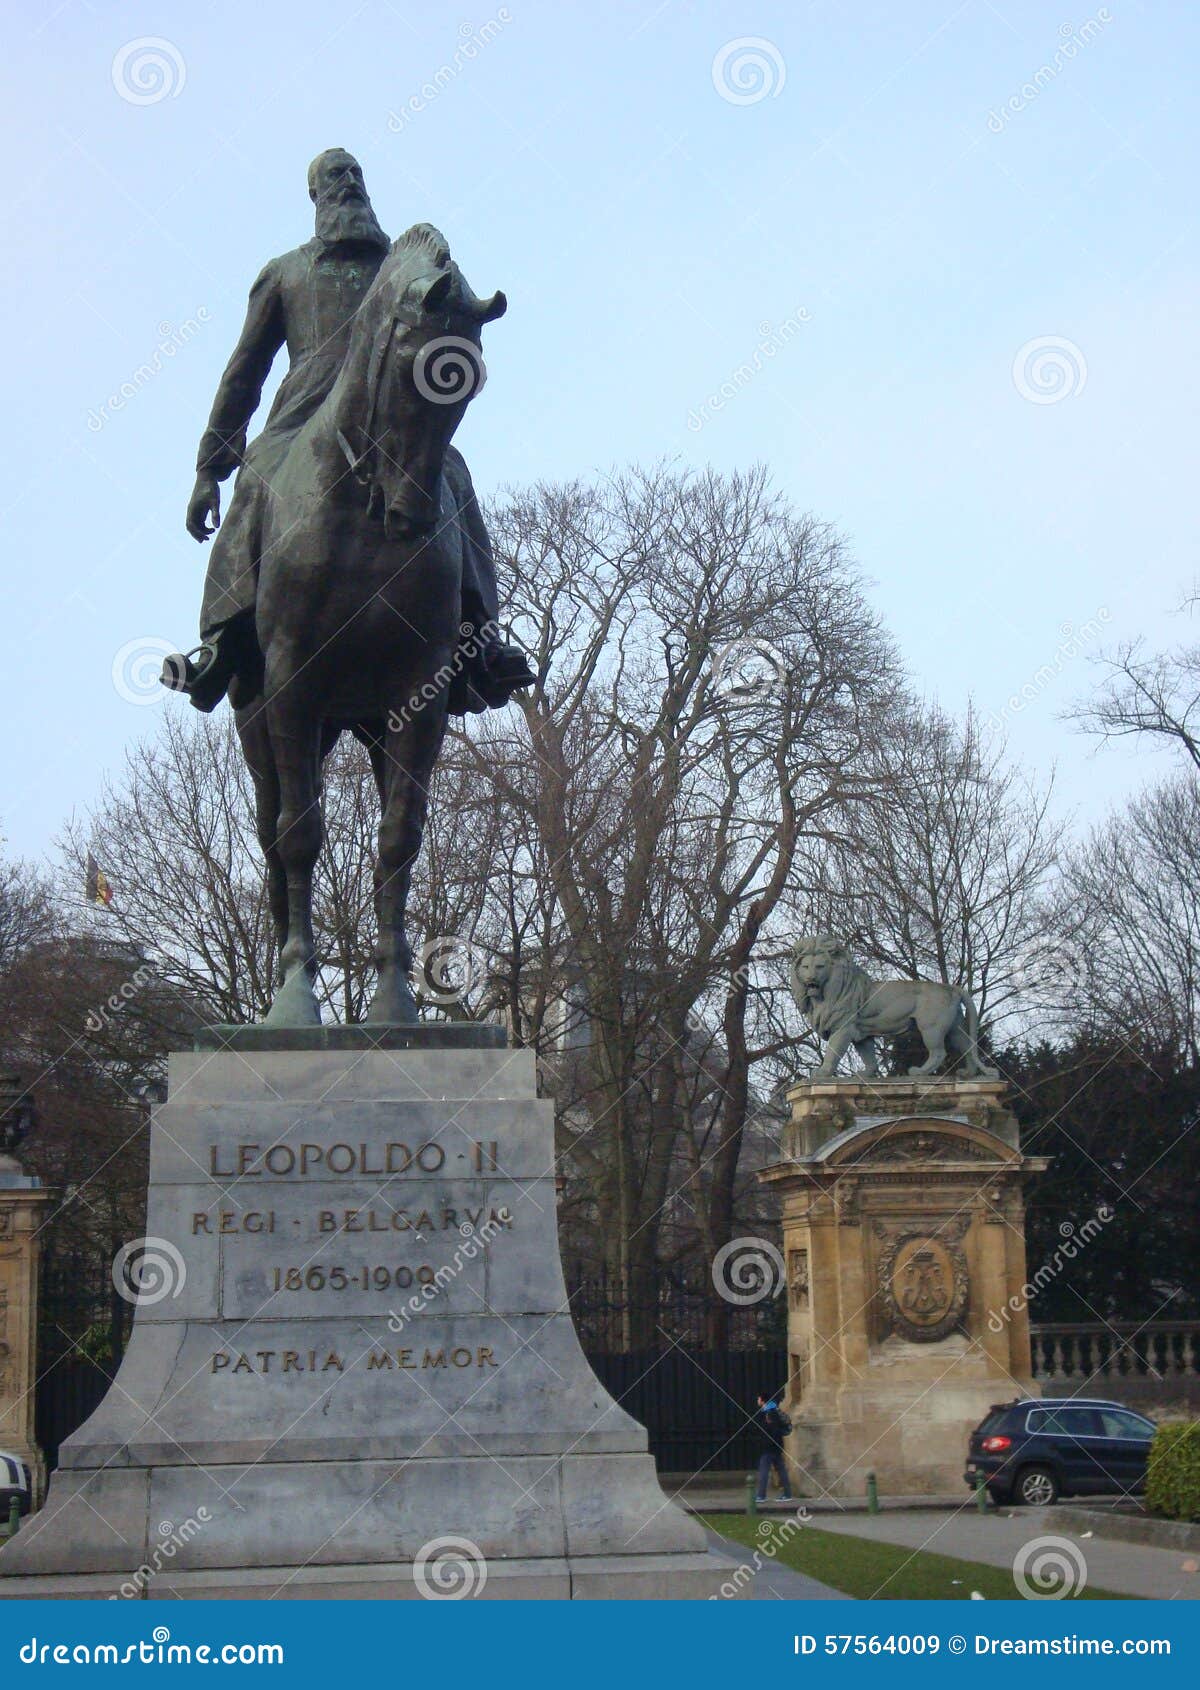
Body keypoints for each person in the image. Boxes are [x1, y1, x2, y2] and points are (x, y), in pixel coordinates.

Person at [161, 147, 534, 714]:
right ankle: (223, 640)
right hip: (301, 415)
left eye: (356, 173)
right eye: (335, 176)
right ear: (316, 194)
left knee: (454, 477)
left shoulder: (402, 268)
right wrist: (210, 468)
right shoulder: (285, 272)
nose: (349, 182)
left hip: (390, 409)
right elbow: (245, 371)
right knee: (258, 476)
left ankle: (480, 640)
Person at [754, 1392, 793, 1502]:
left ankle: (761, 1496)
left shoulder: (769, 1413)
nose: (757, 1400)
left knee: (764, 1470)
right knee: (781, 1470)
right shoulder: (773, 1410)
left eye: (758, 1398)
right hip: (776, 1445)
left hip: (769, 1446)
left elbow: (771, 1430)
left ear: (762, 1400)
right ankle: (787, 1494)